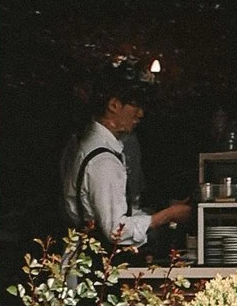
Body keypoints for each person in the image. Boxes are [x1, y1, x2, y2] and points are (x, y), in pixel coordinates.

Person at [59, 70, 196, 255]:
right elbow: (116, 231)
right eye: (134, 105)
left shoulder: (82, 145)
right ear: (113, 105)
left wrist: (167, 208)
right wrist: (166, 216)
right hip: (97, 261)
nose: (140, 114)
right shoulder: (104, 161)